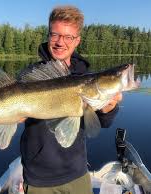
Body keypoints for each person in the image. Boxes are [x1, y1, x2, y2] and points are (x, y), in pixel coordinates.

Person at [18, 5, 122, 194]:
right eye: (55, 34)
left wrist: (109, 108)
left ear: (77, 41)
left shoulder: (86, 78)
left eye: (68, 37)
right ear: (48, 35)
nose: (60, 42)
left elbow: (101, 122)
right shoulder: (31, 75)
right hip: (38, 177)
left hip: (76, 173)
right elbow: (12, 114)